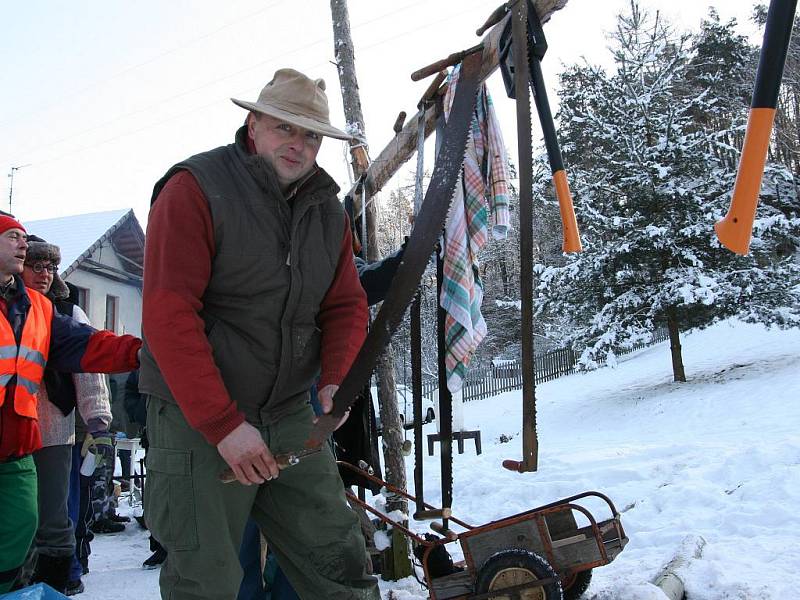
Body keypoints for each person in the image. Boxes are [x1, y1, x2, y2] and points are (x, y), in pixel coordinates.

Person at [139, 68, 379, 599]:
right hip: (195, 415)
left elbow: (345, 304)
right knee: (209, 577)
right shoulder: (194, 189)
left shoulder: (328, 214)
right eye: (284, 128)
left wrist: (337, 379)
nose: (298, 144)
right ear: (253, 124)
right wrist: (223, 423)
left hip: (288, 412)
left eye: (311, 135)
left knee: (338, 557)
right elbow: (167, 313)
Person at [0, 215, 142, 595]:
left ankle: (47, 582)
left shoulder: (47, 311)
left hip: (31, 439)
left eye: (49, 265)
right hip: (25, 438)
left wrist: (144, 352)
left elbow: (89, 352)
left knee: (40, 523)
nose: (23, 247)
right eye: (13, 238)